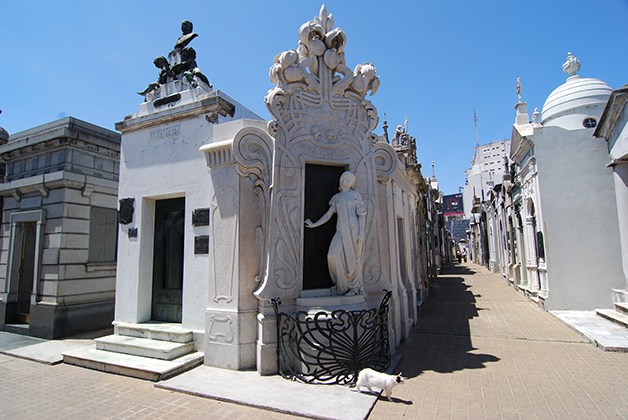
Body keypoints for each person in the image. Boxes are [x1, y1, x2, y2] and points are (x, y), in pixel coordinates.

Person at [305, 171, 366, 296]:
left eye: (351, 180)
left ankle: (353, 288)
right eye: (347, 179)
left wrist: (361, 232)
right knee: (332, 255)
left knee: (352, 260)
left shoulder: (355, 195)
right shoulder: (336, 198)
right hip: (341, 230)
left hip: (353, 230)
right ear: (341, 181)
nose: (349, 181)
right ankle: (341, 285)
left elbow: (362, 215)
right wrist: (314, 224)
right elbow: (328, 215)